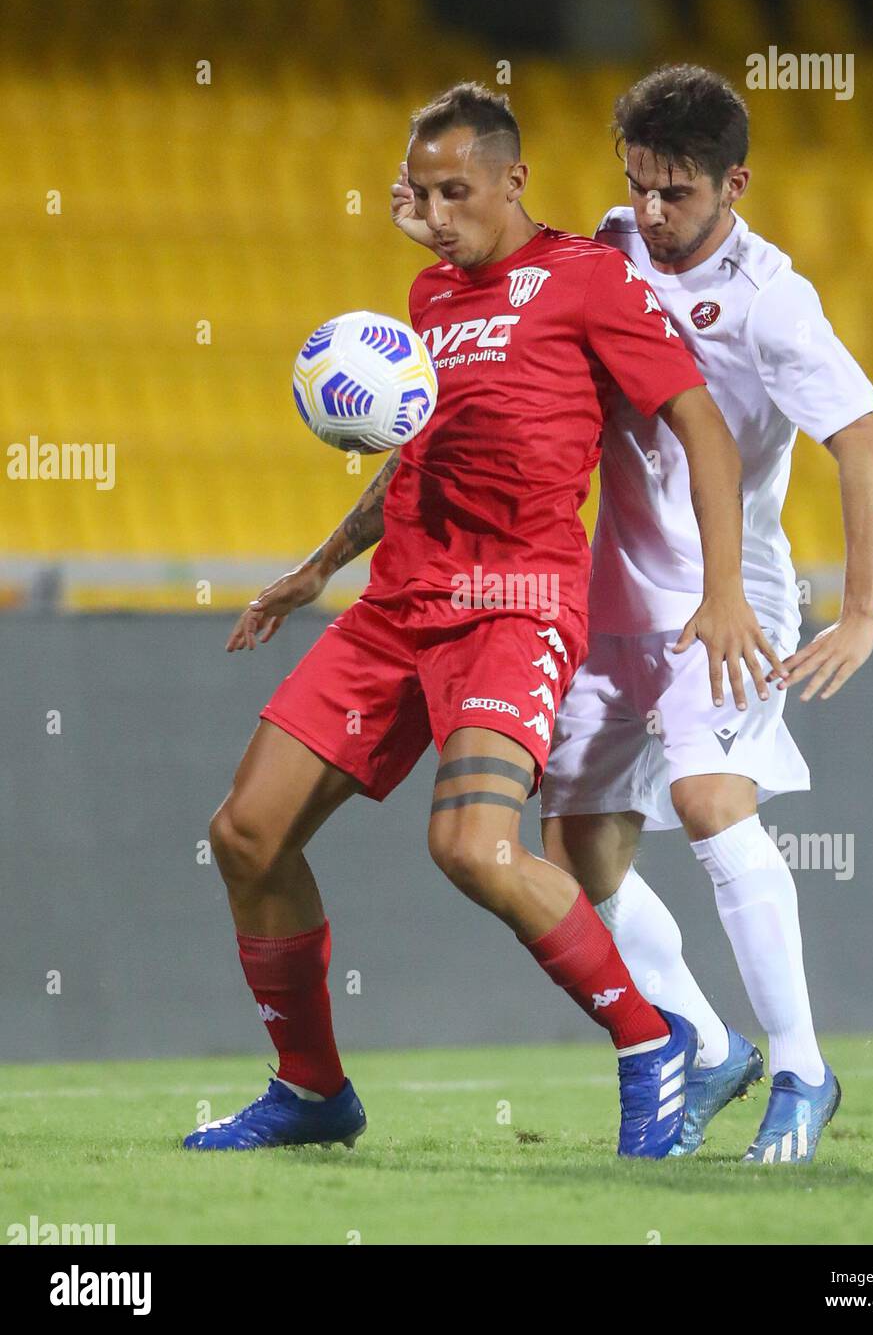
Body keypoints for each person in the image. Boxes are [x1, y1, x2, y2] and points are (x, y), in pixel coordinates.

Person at [184, 82, 779, 1158]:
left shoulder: (586, 280)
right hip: (398, 603)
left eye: (459, 188)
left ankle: (655, 1047)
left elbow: (703, 426)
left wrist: (722, 589)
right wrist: (319, 564)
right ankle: (313, 1089)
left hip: (513, 608)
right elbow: (419, 449)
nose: (438, 209)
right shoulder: (428, 298)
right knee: (245, 834)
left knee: (470, 844)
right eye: (421, 191)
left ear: (516, 179)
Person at [393, 64, 873, 1164]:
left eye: (677, 194)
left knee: (711, 801)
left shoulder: (773, 299)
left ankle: (803, 1066)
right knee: (579, 853)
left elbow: (858, 441)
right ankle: (709, 1043)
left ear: (734, 182)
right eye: (640, 188)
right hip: (603, 595)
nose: (654, 214)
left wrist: (857, 614)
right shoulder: (608, 248)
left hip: (728, 598)